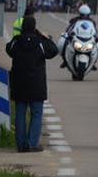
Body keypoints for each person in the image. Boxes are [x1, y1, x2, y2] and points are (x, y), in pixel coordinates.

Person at [6, 16, 59, 152]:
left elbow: (8, 50)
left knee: (20, 114)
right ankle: (31, 143)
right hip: (36, 85)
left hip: (19, 85)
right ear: (35, 27)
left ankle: (21, 144)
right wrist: (44, 36)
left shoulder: (16, 42)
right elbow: (54, 50)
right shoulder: (40, 42)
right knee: (36, 114)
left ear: (23, 27)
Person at [58, 4, 98, 69]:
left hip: (88, 39)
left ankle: (93, 62)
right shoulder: (74, 21)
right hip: (76, 38)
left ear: (89, 15)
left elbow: (95, 31)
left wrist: (97, 36)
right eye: (83, 15)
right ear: (80, 14)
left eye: (86, 15)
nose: (85, 16)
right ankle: (65, 60)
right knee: (63, 42)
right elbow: (69, 29)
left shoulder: (92, 22)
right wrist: (68, 34)